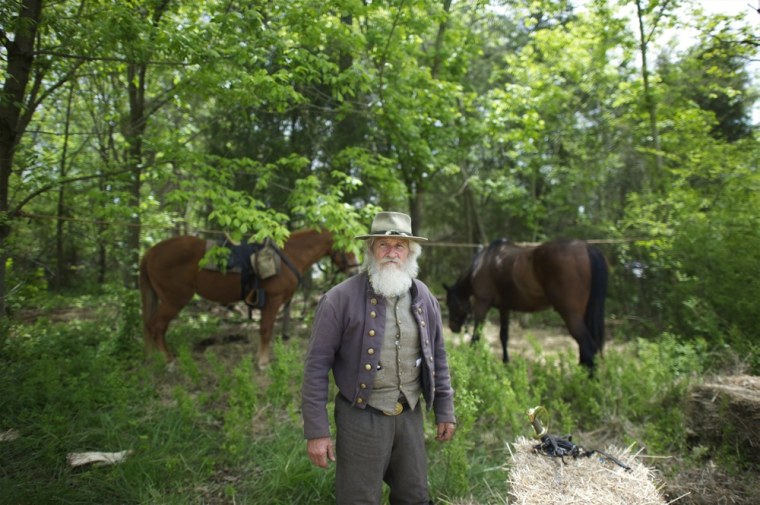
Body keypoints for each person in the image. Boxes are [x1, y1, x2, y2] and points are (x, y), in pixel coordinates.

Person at [301, 211, 457, 505]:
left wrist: (445, 409)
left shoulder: (425, 297)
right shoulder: (339, 299)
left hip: (410, 415)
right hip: (361, 417)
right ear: (370, 250)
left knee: (415, 497)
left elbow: (438, 356)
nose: (391, 253)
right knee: (359, 499)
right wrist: (317, 431)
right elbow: (316, 369)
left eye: (399, 245)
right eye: (383, 245)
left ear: (410, 252)